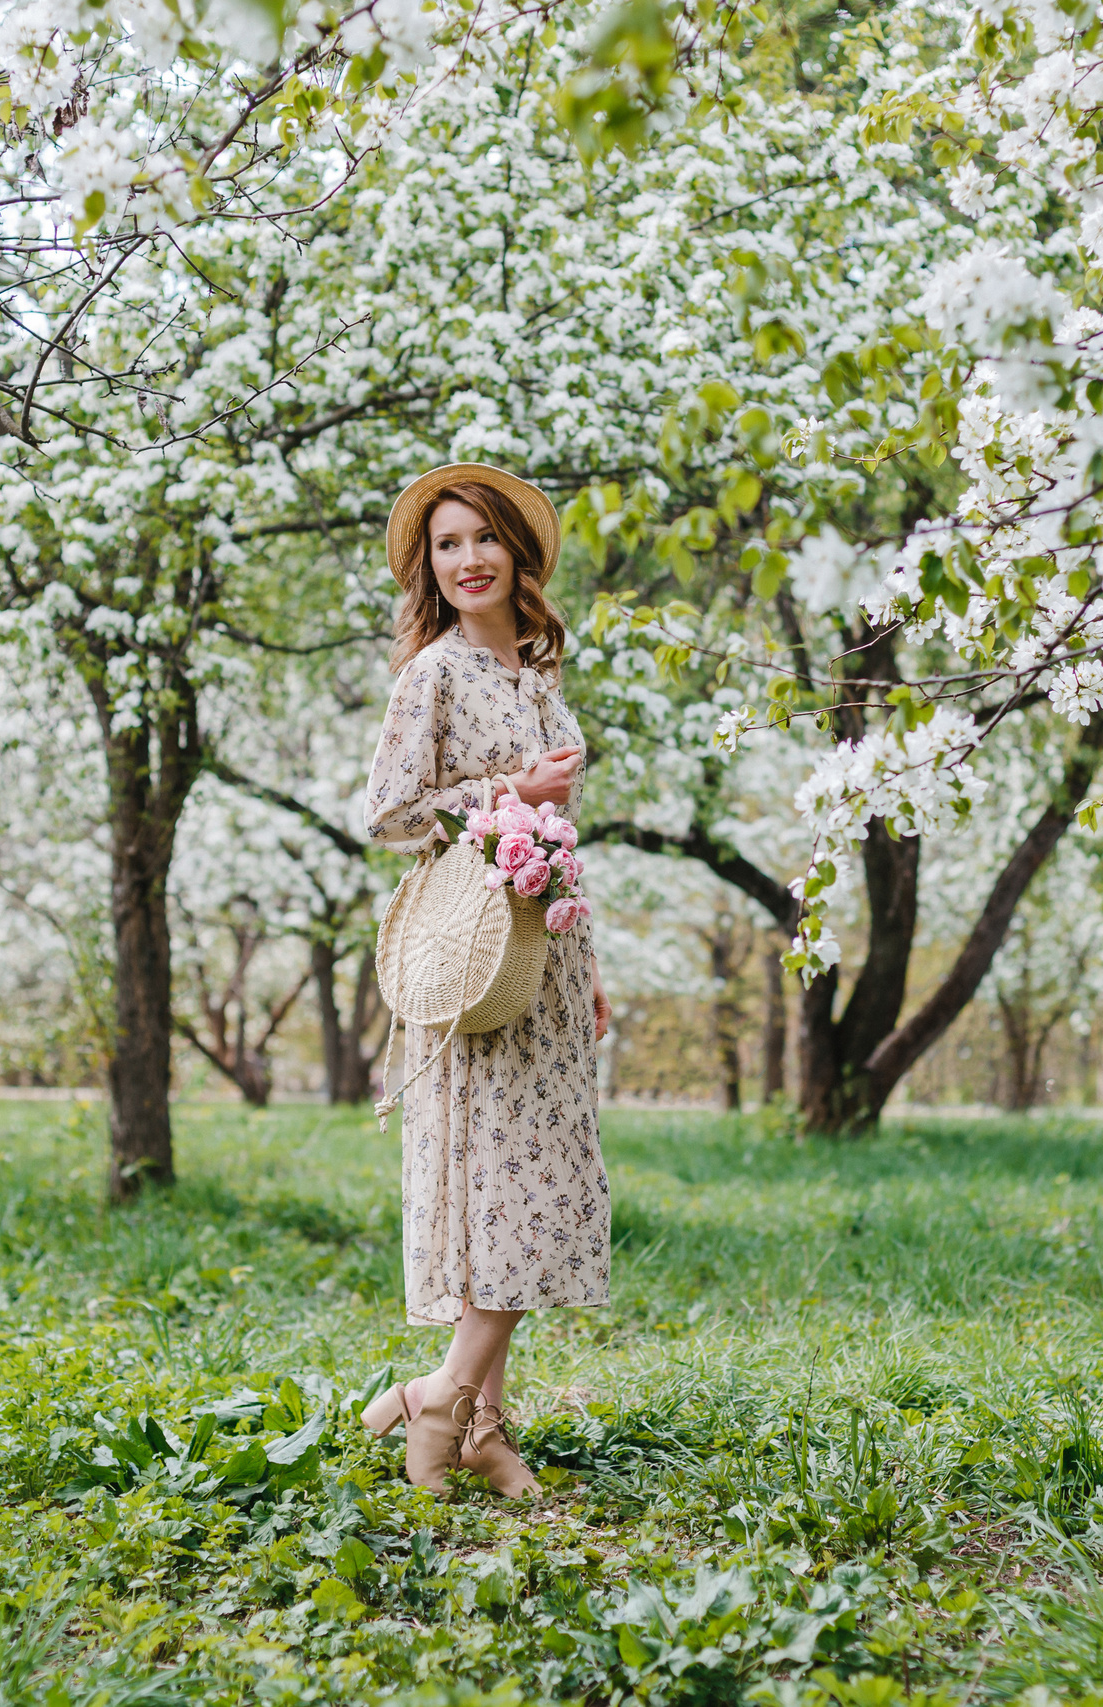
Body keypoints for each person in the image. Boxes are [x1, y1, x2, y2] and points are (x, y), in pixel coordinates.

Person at [356, 463, 613, 1499]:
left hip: (539, 966)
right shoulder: (434, 675)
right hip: (471, 964)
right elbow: (388, 815)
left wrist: (584, 964)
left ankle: (479, 1423)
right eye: (446, 544)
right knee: (504, 1193)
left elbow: (555, 842)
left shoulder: (538, 680)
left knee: (532, 1191)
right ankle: (445, 1398)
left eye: (481, 540)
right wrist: (506, 786)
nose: (465, 560)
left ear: (518, 554)